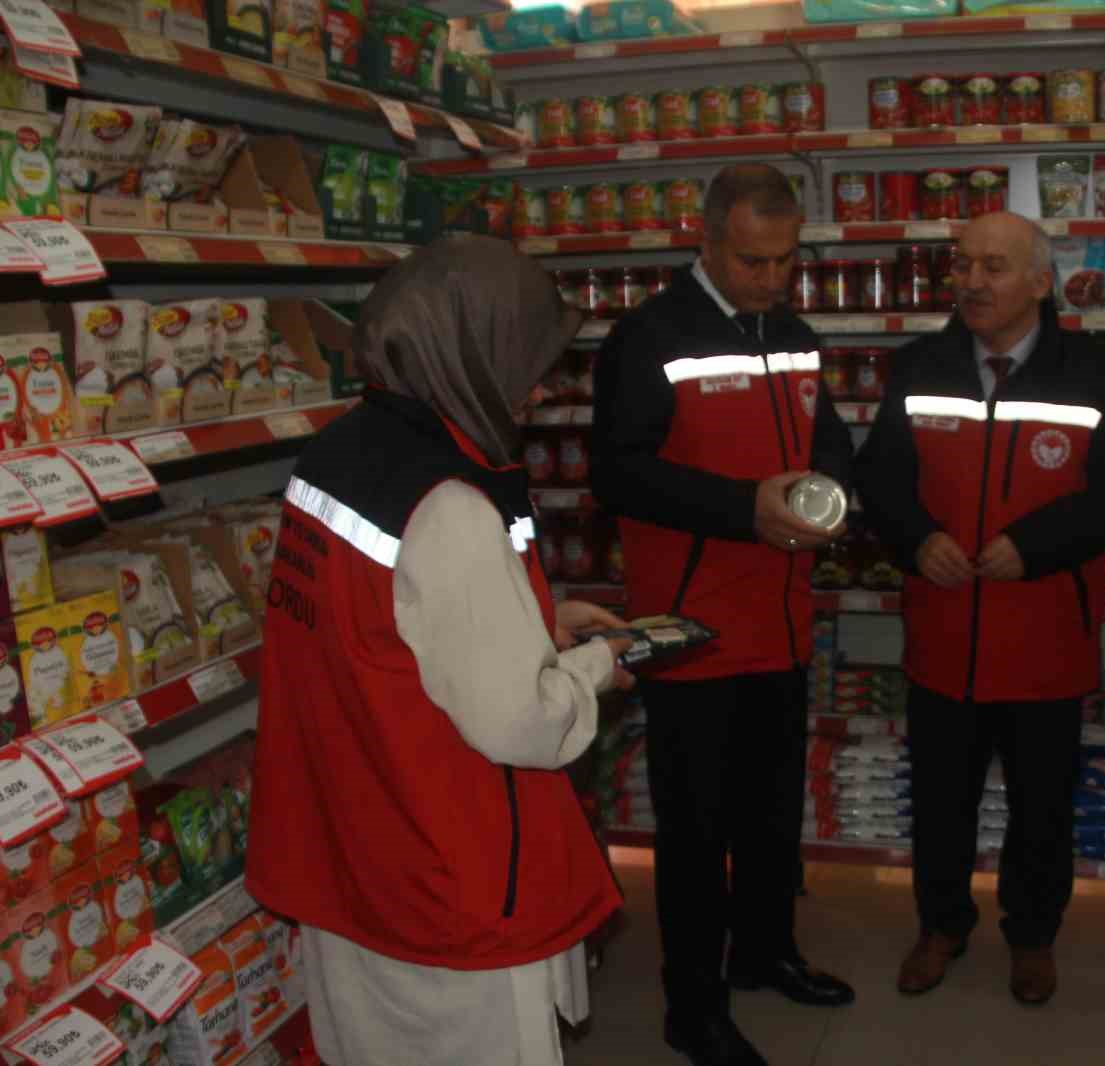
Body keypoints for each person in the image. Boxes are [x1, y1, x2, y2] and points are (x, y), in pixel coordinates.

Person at [247, 238, 632, 1066]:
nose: (540, 386)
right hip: (446, 874)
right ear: (464, 352)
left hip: (352, 851)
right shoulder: (449, 498)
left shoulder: (336, 454)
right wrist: (599, 667)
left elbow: (383, 626)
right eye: (527, 361)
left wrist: (531, 616)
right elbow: (524, 723)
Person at [853, 212, 1105, 1007]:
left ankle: (1032, 938)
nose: (972, 282)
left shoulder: (1098, 374)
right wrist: (918, 539)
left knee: (1041, 808)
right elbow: (881, 479)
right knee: (941, 804)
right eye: (962, 265)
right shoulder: (920, 364)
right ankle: (942, 926)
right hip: (942, 634)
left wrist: (1037, 544)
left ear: (1039, 280)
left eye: (993, 266)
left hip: (1045, 639)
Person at [591, 163, 855, 1066]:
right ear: (703, 240)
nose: (771, 280)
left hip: (782, 623)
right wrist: (746, 507)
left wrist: (836, 491)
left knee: (772, 817)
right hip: (690, 630)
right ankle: (691, 1006)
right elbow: (618, 473)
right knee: (696, 832)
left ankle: (766, 954)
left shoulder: (795, 331)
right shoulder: (647, 336)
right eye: (752, 261)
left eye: (785, 262)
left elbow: (830, 439)